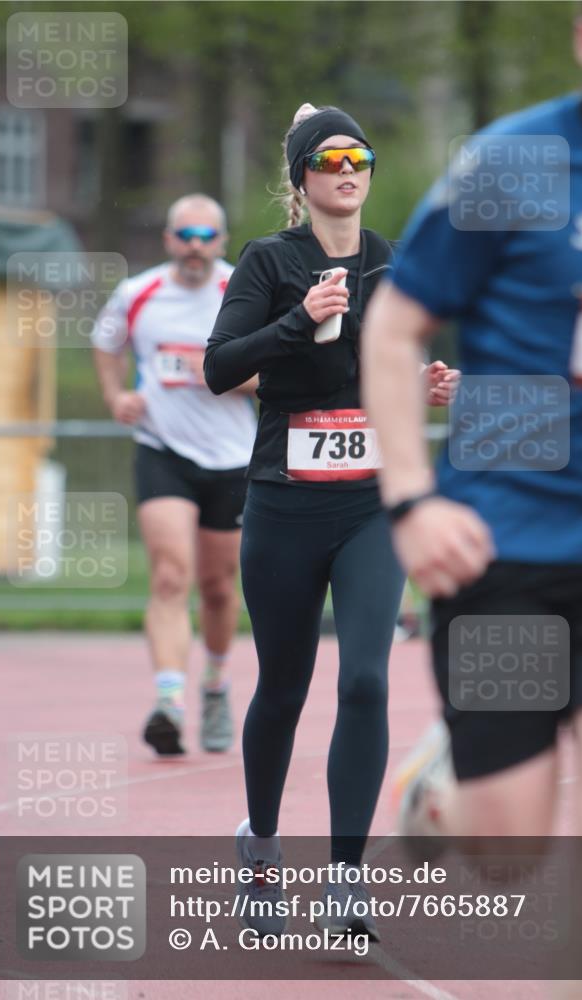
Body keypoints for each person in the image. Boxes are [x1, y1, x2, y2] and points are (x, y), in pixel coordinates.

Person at [362, 1, 582, 994]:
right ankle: (438, 796)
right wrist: (410, 502)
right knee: (509, 858)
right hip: (507, 550)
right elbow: (394, 331)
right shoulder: (516, 164)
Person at [204, 103, 459, 939]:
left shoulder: (394, 262)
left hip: (367, 503)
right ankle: (262, 848)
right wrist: (296, 320)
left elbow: (389, 362)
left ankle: (346, 876)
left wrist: (421, 383)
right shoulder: (268, 260)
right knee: (283, 686)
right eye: (328, 157)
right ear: (301, 178)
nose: (347, 169)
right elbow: (217, 368)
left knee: (366, 679)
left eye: (360, 157)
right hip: (282, 500)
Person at [92, 194, 258, 757]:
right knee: (170, 574)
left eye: (206, 236)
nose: (195, 245)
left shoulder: (242, 290)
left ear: (222, 240)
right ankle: (169, 702)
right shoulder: (138, 293)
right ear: (168, 239)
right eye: (184, 234)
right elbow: (105, 342)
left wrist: (221, 375)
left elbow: (280, 369)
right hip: (162, 448)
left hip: (231, 456)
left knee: (216, 587)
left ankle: (213, 684)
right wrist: (117, 397)